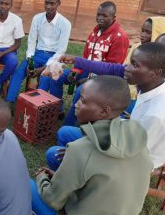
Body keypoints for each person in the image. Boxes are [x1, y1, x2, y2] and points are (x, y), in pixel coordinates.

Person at [31, 75, 153, 215]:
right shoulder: (137, 139)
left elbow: (53, 201)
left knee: (25, 184)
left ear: (104, 111)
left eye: (82, 100)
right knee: (56, 155)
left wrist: (41, 178)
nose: (75, 104)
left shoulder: (80, 150)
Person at [48, 42, 165, 170]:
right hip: (124, 142)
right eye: (131, 62)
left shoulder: (154, 115)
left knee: (53, 153)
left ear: (155, 72)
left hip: (126, 164)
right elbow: (112, 68)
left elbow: (133, 158)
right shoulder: (151, 87)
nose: (127, 68)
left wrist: (85, 152)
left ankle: (70, 179)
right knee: (64, 132)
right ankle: (67, 172)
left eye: (135, 65)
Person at [64, 16, 165, 126]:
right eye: (142, 30)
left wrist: (129, 121)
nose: (142, 35)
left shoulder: (156, 113)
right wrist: (77, 60)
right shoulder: (139, 54)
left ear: (156, 72)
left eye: (148, 32)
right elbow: (115, 69)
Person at [45, 1, 129, 116]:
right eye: (98, 14)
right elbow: (85, 58)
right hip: (86, 71)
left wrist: (89, 80)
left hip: (103, 79)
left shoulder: (119, 37)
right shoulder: (94, 33)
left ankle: (70, 123)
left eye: (104, 16)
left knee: (81, 90)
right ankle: (57, 111)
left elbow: (112, 70)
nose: (100, 18)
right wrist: (75, 71)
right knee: (55, 76)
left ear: (113, 17)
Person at [6, 0, 71, 103]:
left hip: (54, 58)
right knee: (19, 71)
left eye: (52, 3)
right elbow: (31, 42)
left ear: (58, 3)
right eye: (46, 3)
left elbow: (61, 51)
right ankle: (9, 101)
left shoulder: (65, 23)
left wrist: (44, 68)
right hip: (37, 54)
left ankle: (36, 106)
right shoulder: (37, 18)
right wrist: (30, 62)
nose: (48, 6)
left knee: (45, 78)